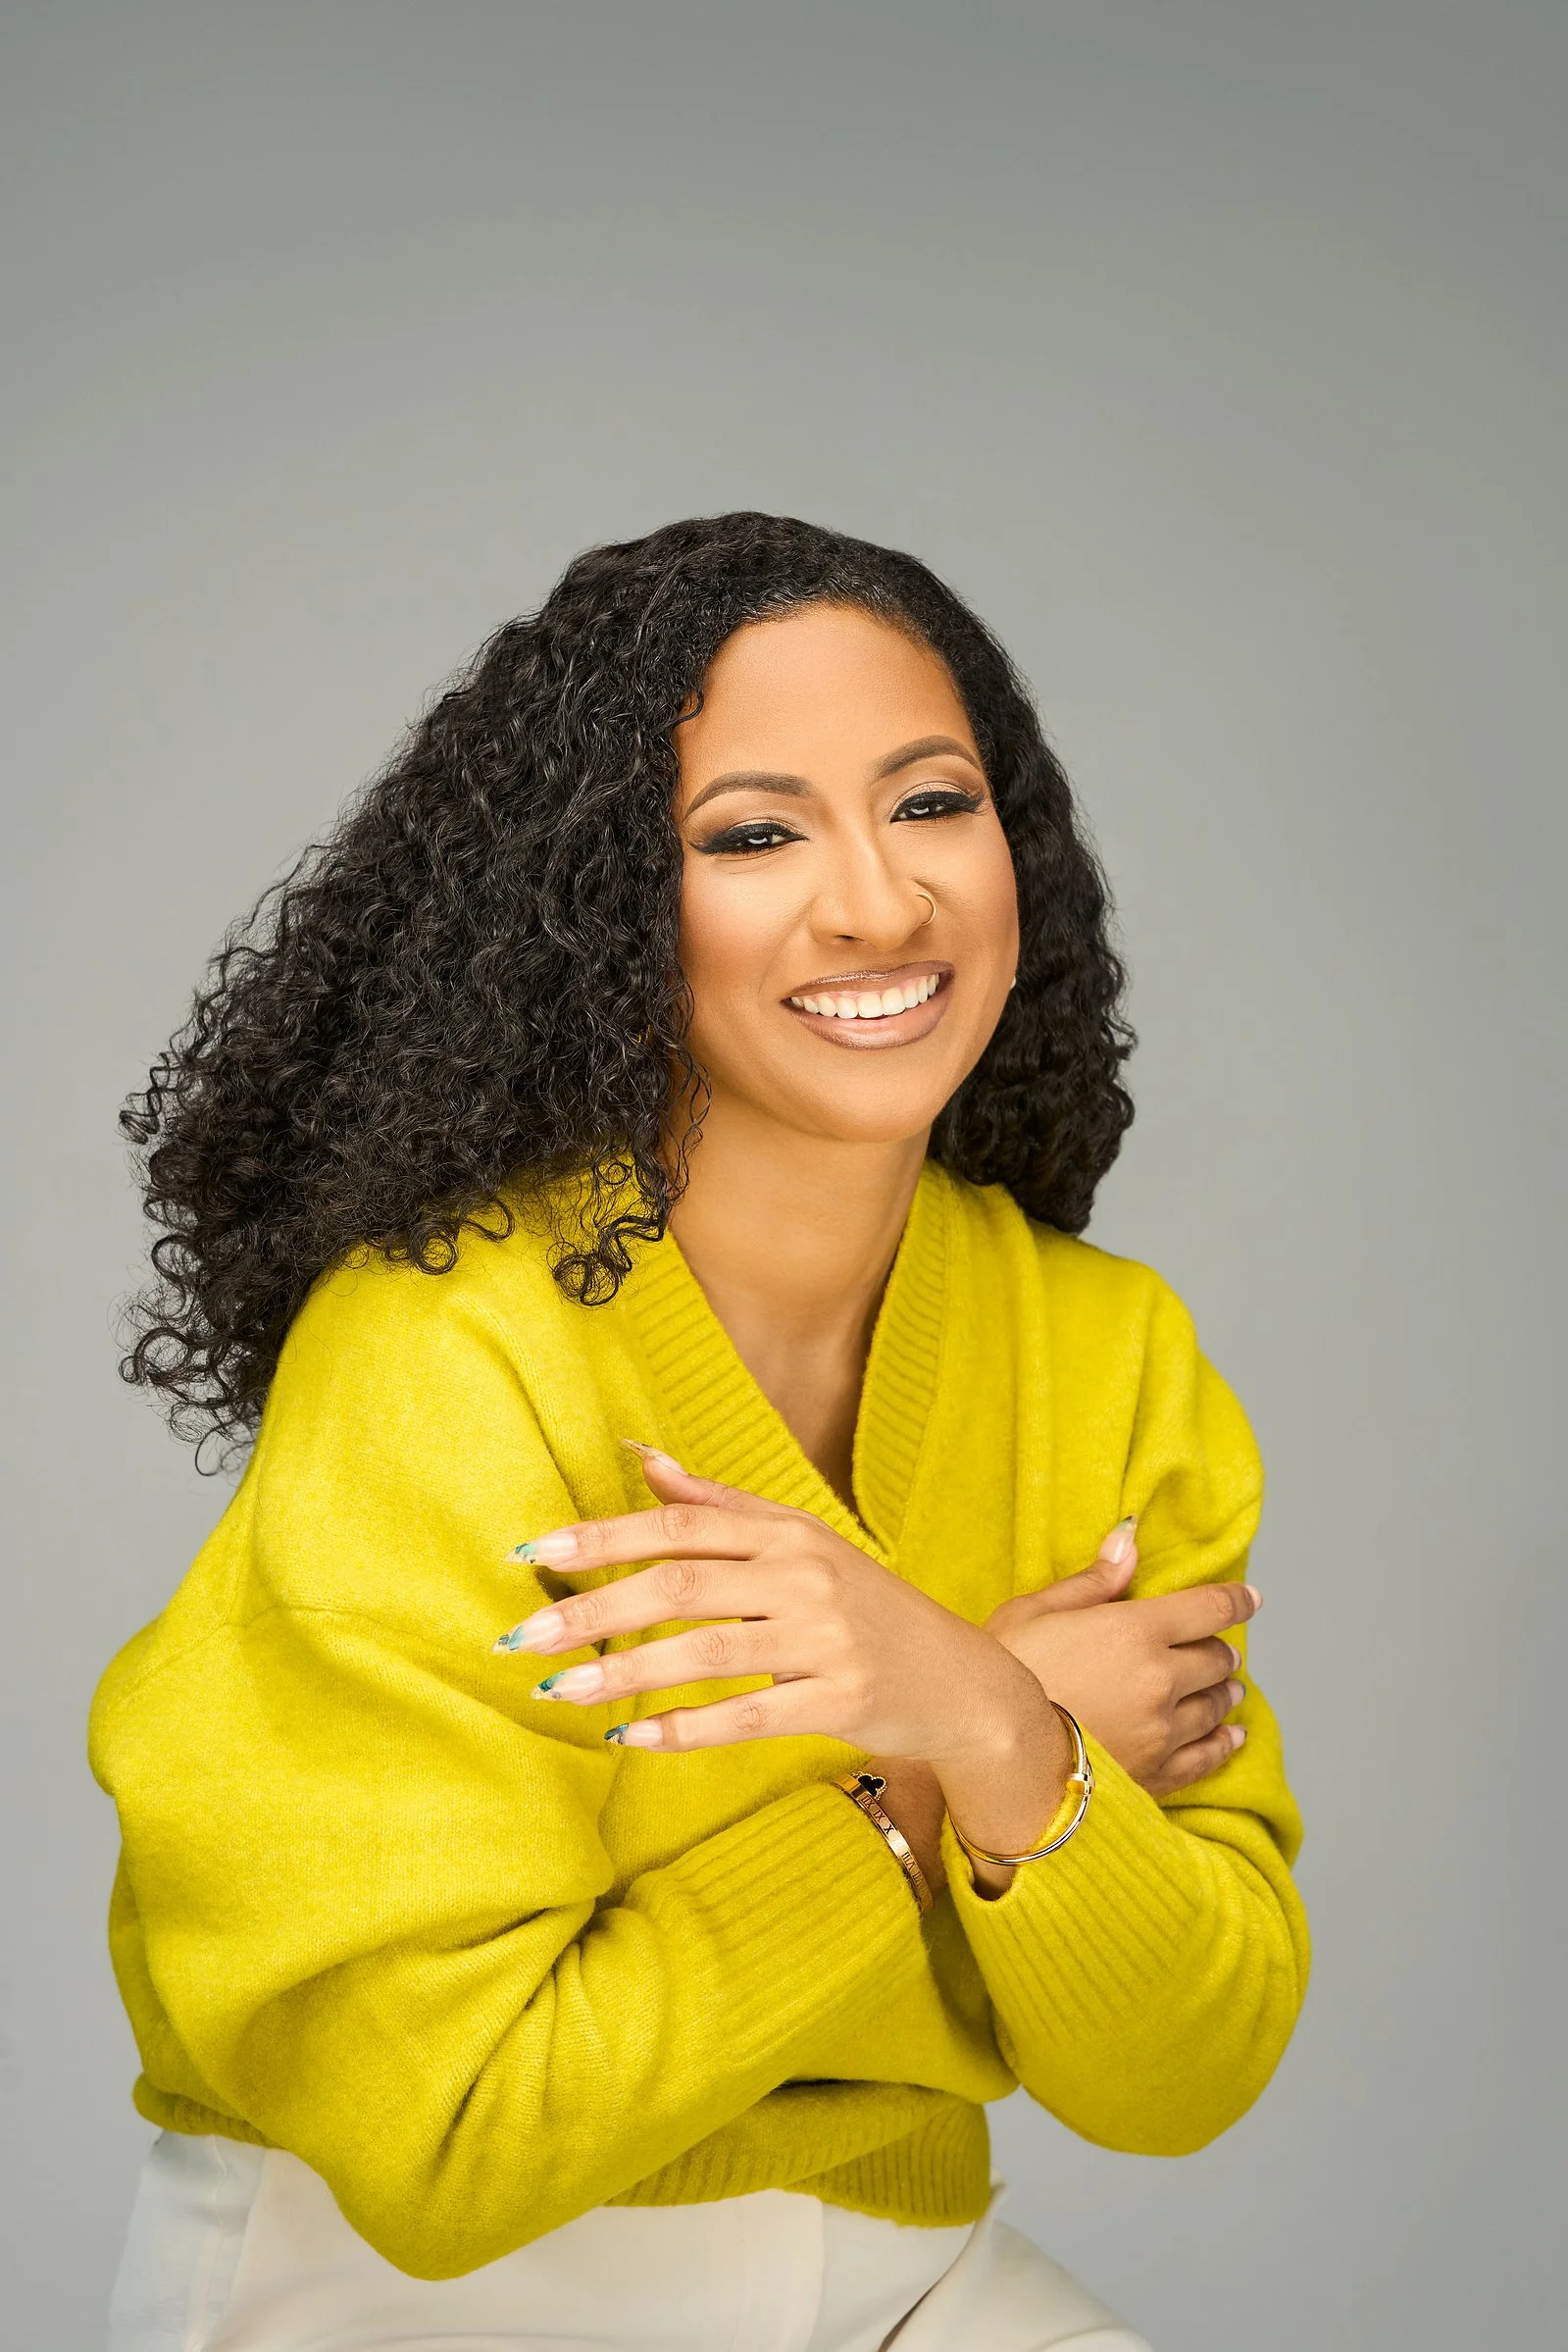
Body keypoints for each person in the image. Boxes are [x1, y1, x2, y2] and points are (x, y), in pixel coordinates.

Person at [91, 513, 1308, 2351]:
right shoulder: (448, 1355)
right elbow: (451, 2136)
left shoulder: (1105, 1351)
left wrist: (978, 1712)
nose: (879, 905)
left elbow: (1189, 2065)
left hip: (893, 2271)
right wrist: (936, 1786)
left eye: (929, 804)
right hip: (407, 2298)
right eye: (751, 833)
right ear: (598, 904)